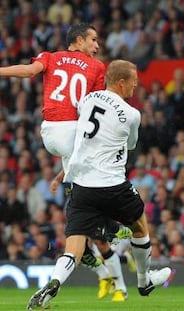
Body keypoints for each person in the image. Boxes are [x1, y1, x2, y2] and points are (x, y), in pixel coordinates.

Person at [27, 60, 174, 310]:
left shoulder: (88, 99)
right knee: (140, 225)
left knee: (73, 247)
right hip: (112, 185)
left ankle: (53, 283)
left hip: (82, 187)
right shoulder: (131, 114)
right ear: (121, 82)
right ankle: (144, 280)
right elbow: (130, 145)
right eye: (134, 80)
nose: (136, 85)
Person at [0, 23, 130, 302]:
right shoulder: (97, 67)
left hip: (50, 132)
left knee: (83, 221)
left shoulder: (50, 56)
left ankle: (106, 274)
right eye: (93, 39)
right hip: (74, 131)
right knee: (90, 199)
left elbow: (27, 71)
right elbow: (95, 109)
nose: (97, 45)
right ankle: (113, 228)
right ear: (79, 40)